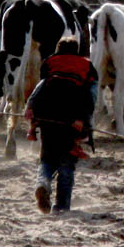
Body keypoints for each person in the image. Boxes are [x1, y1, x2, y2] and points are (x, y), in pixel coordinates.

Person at [26, 36, 98, 214]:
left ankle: (43, 183)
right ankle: (61, 206)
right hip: (71, 120)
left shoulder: (50, 62)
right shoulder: (87, 66)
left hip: (47, 117)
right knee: (67, 163)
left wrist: (31, 109)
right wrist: (85, 120)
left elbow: (41, 87)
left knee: (47, 158)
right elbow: (90, 95)